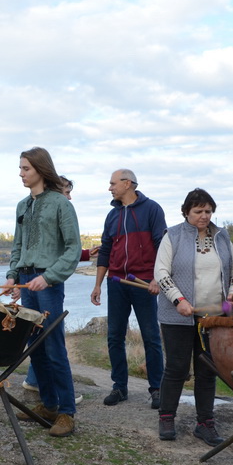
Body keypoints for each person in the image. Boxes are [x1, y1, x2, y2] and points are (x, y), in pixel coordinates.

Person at [155, 189, 233, 445]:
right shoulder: (172, 236)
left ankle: (205, 423)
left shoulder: (222, 237)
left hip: (213, 318)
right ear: (186, 212)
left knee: (207, 370)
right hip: (177, 316)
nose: (204, 216)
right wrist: (179, 300)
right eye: (198, 211)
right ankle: (167, 417)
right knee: (176, 368)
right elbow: (161, 273)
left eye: (208, 211)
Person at [7, 147, 81, 437]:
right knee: (34, 346)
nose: (22, 173)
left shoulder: (61, 204)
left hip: (48, 285)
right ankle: (48, 405)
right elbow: (17, 247)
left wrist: (49, 277)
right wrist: (13, 275)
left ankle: (66, 412)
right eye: (21, 168)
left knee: (53, 347)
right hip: (26, 282)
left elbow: (73, 250)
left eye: (26, 168)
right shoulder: (22, 206)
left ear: (40, 169)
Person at [90, 169, 166, 408]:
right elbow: (104, 251)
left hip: (143, 283)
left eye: (112, 183)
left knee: (151, 336)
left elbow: (162, 247)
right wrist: (97, 285)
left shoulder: (152, 209)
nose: (109, 188)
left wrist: (157, 280)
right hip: (117, 284)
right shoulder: (111, 216)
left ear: (127, 183)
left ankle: (157, 389)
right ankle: (119, 387)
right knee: (114, 336)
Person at [21, 176, 96, 402]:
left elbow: (57, 246)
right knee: (43, 341)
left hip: (47, 280)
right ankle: (44, 392)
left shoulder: (60, 207)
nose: (69, 196)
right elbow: (39, 246)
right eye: (67, 191)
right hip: (35, 279)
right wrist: (15, 275)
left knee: (49, 341)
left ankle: (60, 404)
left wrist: (83, 254)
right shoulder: (27, 206)